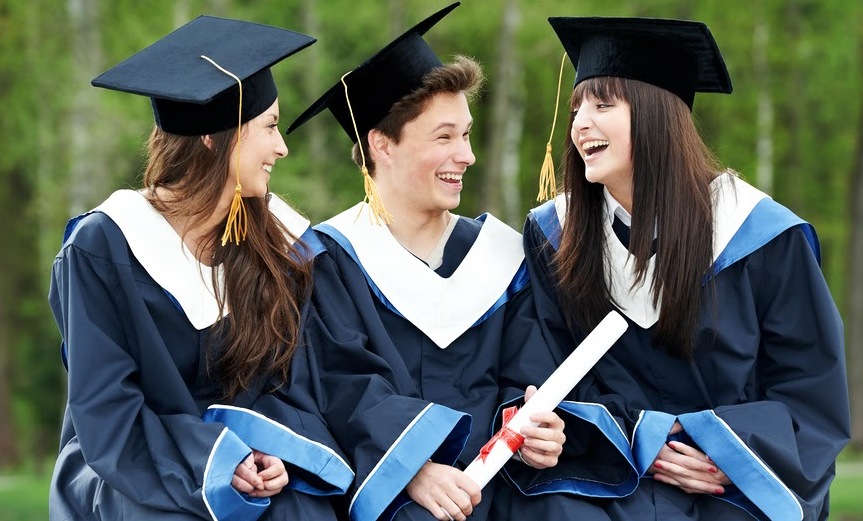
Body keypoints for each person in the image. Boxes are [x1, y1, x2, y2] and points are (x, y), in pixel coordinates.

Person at [286, 4, 635, 521]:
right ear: (382, 145)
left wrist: (535, 425)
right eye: (444, 137)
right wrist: (411, 467)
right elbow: (340, 387)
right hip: (389, 490)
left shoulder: (502, 256)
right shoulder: (327, 260)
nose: (467, 155)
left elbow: (529, 370)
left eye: (466, 134)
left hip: (504, 484)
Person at [524, 16, 851, 520]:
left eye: (602, 104)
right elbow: (547, 372)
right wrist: (642, 438)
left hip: (733, 485)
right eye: (576, 109)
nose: (580, 124)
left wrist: (733, 457)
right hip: (610, 474)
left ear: (656, 115)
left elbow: (811, 392)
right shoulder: (556, 236)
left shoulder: (760, 235)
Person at [48, 16, 354, 521]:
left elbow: (291, 381)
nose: (282, 147)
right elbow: (106, 409)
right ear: (215, 137)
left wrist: (272, 454)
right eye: (270, 126)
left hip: (247, 453)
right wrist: (214, 459)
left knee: (299, 507)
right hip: (131, 465)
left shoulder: (275, 241)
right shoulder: (104, 246)